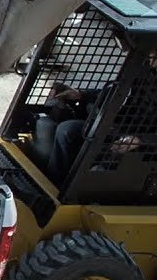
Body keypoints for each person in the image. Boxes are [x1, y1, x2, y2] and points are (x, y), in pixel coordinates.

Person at [47, 49, 157, 183]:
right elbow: (116, 92)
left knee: (101, 167)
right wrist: (82, 95)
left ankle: (78, 192)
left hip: (146, 148)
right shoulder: (145, 70)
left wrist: (140, 140)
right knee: (66, 130)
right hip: (122, 127)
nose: (151, 60)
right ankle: (55, 184)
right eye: (150, 55)